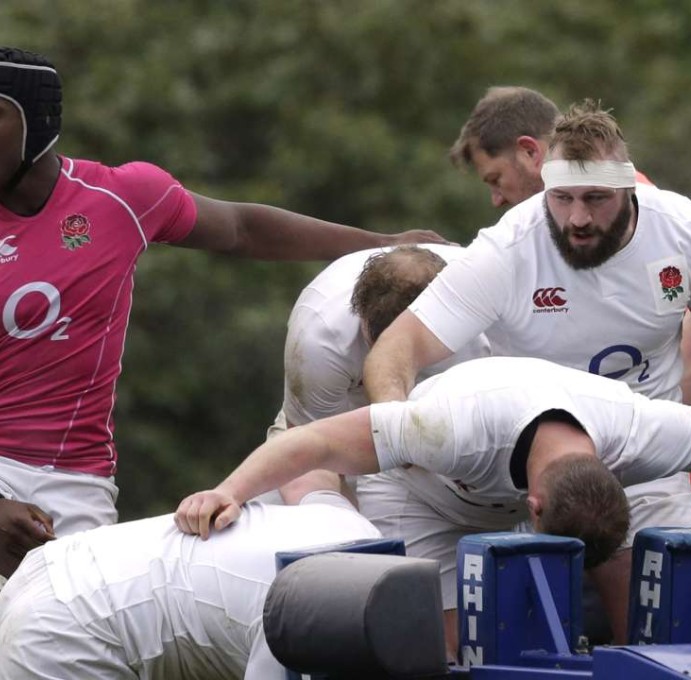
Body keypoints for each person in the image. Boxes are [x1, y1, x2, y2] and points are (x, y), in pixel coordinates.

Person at [361, 100, 691, 638]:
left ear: (630, 190)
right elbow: (396, 350)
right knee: (508, 646)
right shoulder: (509, 248)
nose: (578, 218)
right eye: (561, 198)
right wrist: (399, 427)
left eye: (595, 199)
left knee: (681, 637)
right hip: (530, 471)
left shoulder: (683, 231)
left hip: (641, 453)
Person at [0, 47, 447, 548]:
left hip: (77, 484)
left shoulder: (121, 198)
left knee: (59, 622)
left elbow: (242, 229)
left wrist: (382, 244)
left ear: (37, 121)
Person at [175, 357, 691, 653]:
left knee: (642, 636)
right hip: (428, 494)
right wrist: (229, 490)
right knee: (441, 652)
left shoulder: (640, 434)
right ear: (533, 507)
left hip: (526, 473)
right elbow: (312, 438)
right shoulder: (448, 426)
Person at [450, 86, 691, 504]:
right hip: (600, 467)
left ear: (530, 153)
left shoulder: (628, 208)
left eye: (495, 178)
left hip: (666, 470)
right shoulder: (540, 236)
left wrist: (634, 432)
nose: (495, 197)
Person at [0, 485, 381, 679]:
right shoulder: (307, 623)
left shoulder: (361, 532)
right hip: (67, 624)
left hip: (72, 575)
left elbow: (310, 461)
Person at [259, 244, 490, 506]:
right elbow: (310, 448)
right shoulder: (319, 340)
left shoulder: (483, 315)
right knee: (307, 496)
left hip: (444, 424)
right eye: (380, 344)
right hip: (341, 412)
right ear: (360, 311)